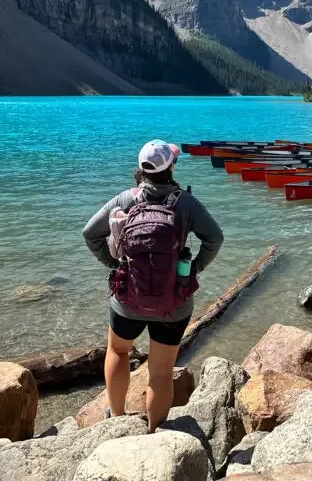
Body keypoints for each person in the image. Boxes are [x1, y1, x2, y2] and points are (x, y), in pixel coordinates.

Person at [83, 140, 223, 432]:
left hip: (128, 301)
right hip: (173, 302)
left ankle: (117, 419)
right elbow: (215, 239)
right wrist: (194, 268)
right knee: (160, 372)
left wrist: (115, 265)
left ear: (141, 169)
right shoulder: (186, 202)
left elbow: (90, 234)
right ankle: (153, 431)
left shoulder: (125, 199)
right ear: (171, 167)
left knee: (119, 352)